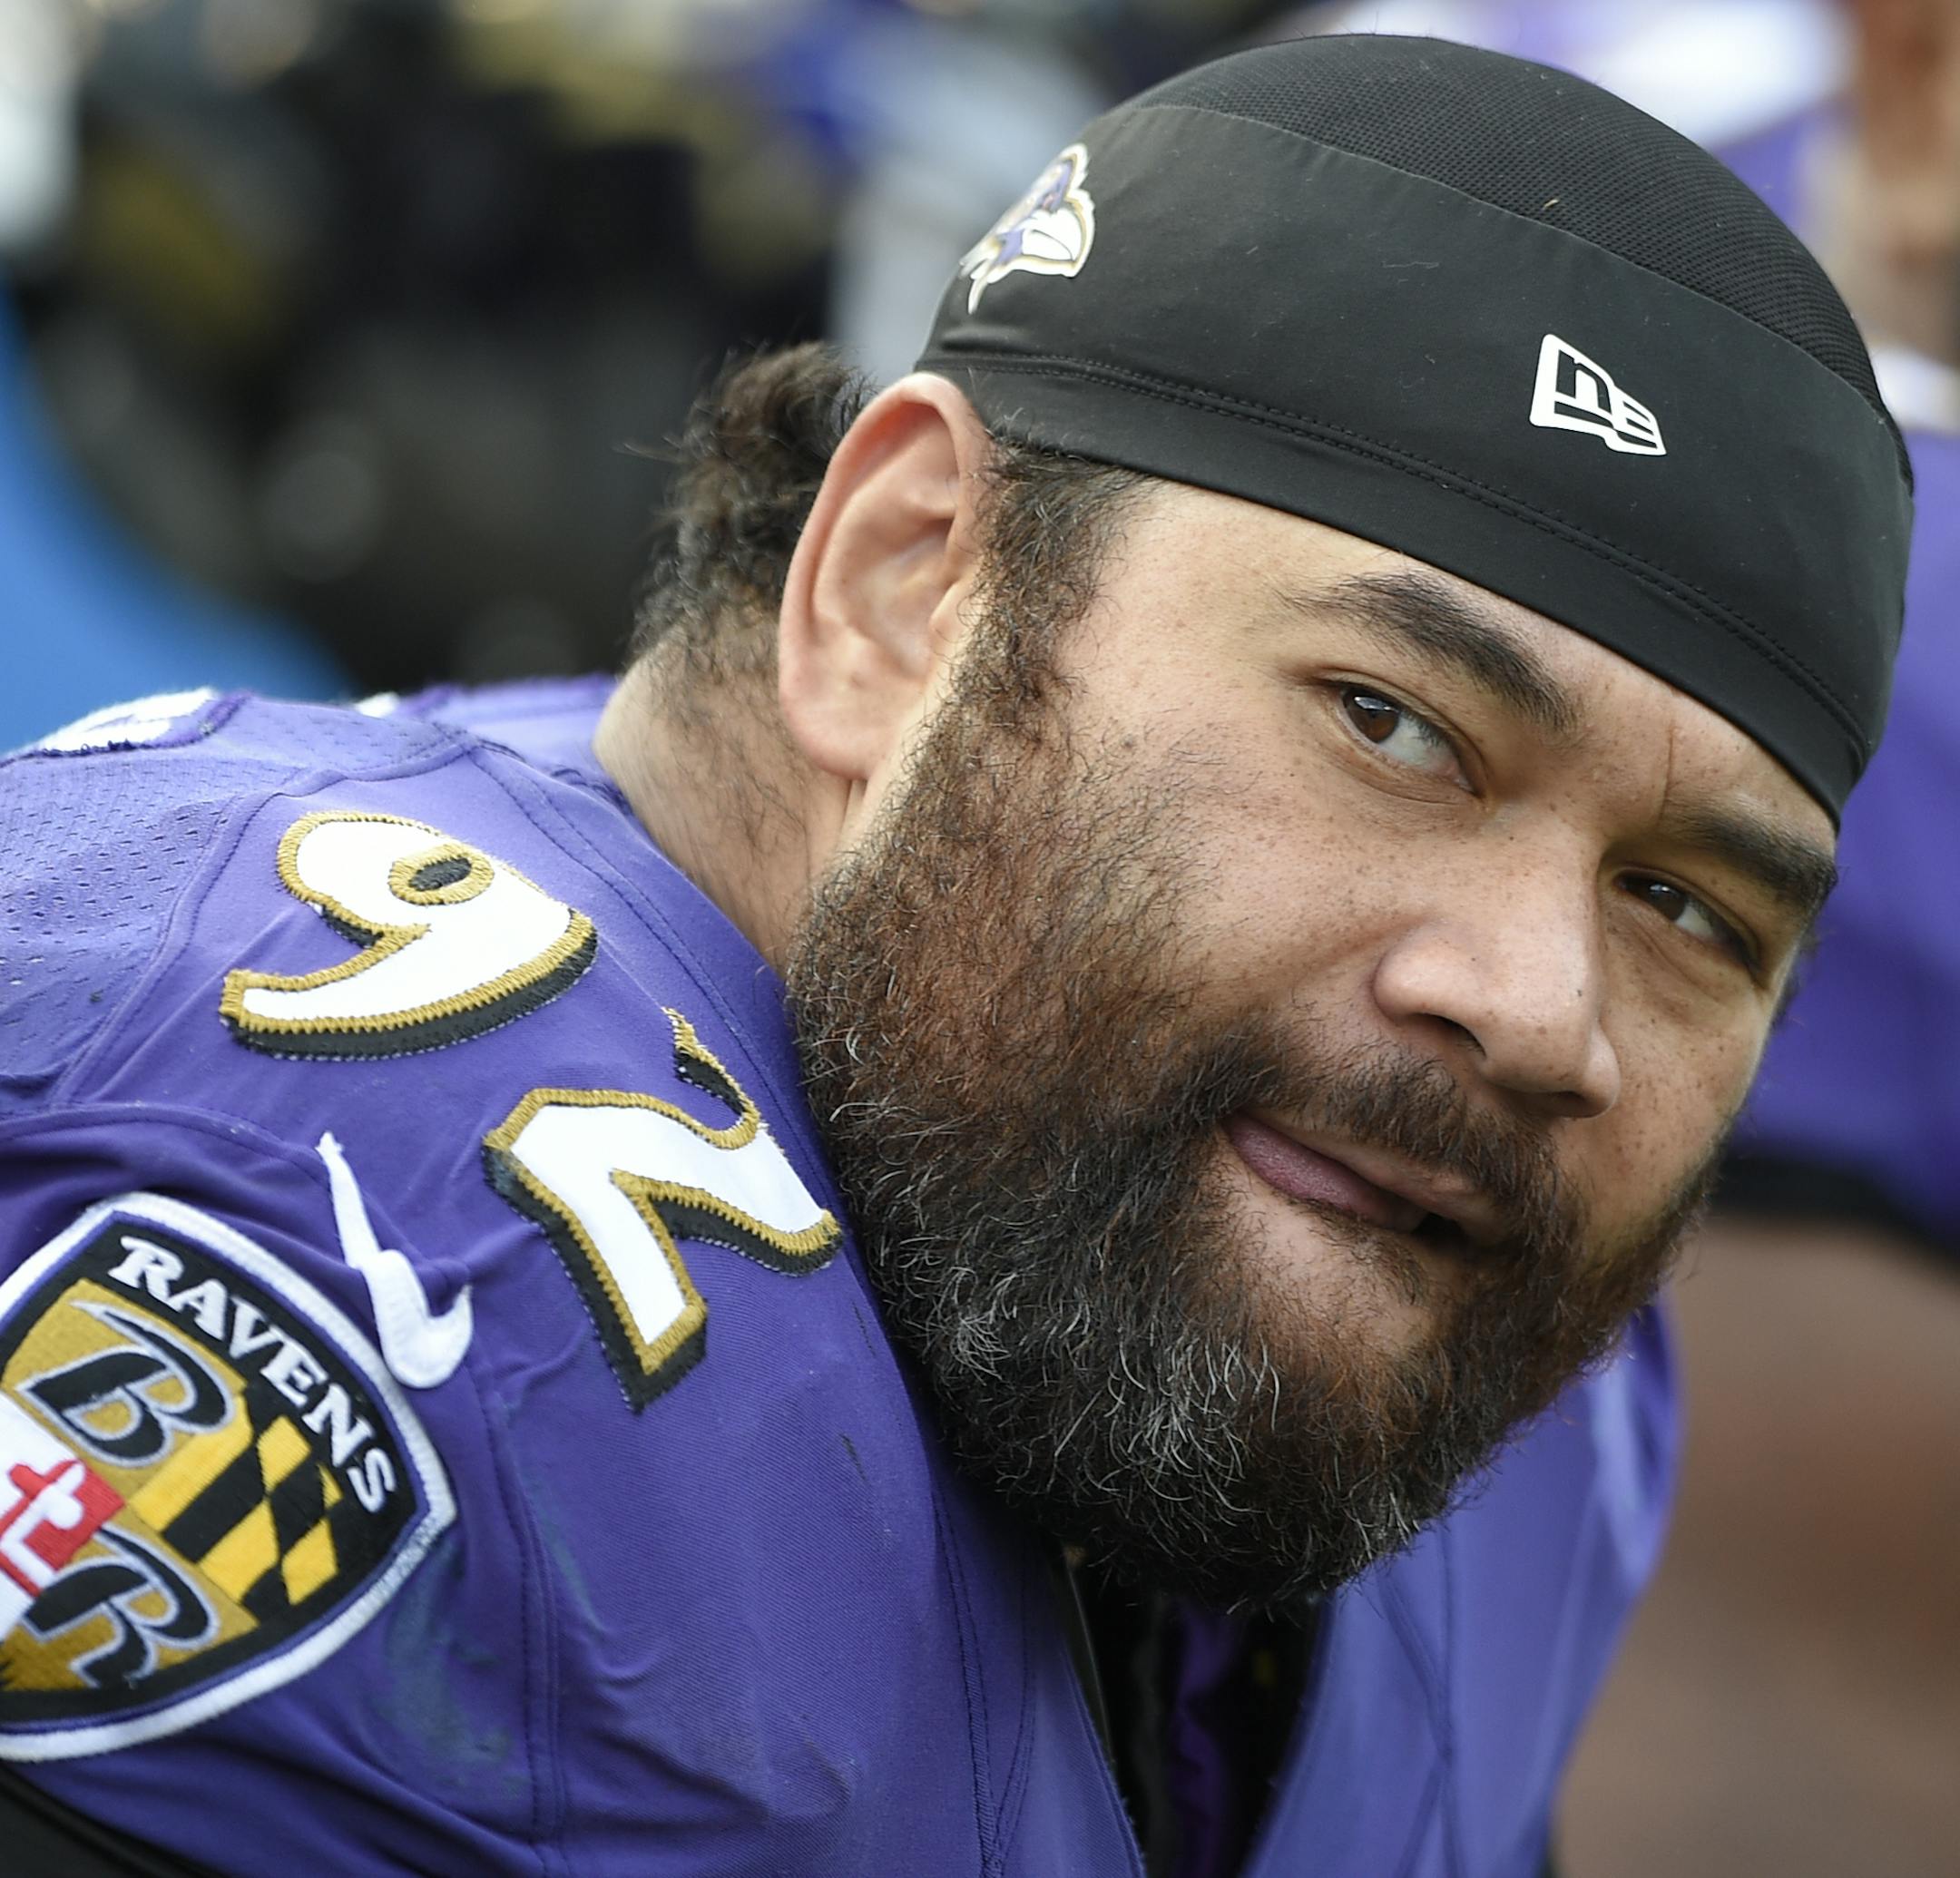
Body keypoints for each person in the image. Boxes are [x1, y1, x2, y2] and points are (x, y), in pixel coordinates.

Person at [0, 34, 1910, 1878]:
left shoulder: (1485, 1347)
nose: (1544, 1012)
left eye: (1689, 909)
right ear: (908, 586)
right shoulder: (330, 1237)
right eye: (1389, 724)